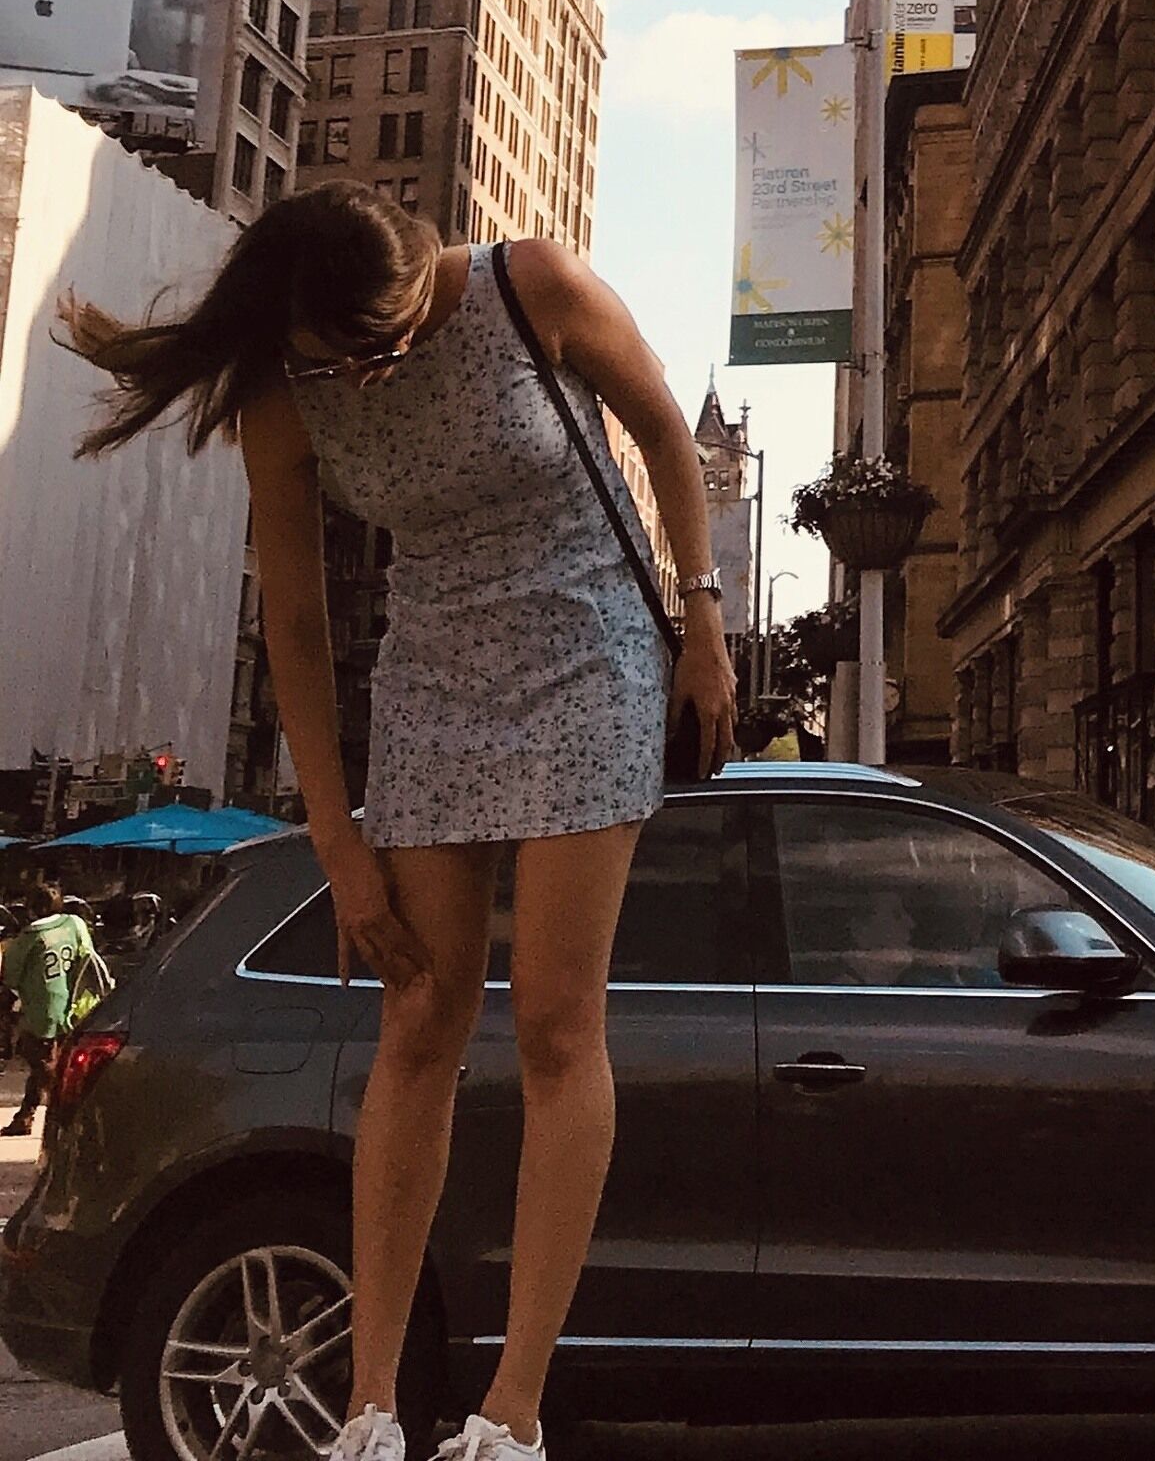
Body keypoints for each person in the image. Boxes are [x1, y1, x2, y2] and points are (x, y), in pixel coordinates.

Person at [63, 179, 737, 1461]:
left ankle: (514, 1415)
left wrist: (701, 623)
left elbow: (661, 431)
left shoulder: (531, 287)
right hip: (431, 688)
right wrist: (336, 840)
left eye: (378, 351)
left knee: (550, 1022)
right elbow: (301, 623)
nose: (363, 383)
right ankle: (373, 1405)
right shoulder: (287, 383)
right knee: (419, 1018)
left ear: (414, 284)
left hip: (589, 655)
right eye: (334, 364)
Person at [2, 880, 105, 1135]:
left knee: (44, 1065)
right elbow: (87, 955)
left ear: (31, 909)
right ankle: (26, 1117)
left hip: (41, 1013)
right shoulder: (75, 924)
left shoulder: (27, 939)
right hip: (77, 1006)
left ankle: (67, 1112)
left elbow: (10, 979)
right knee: (50, 1063)